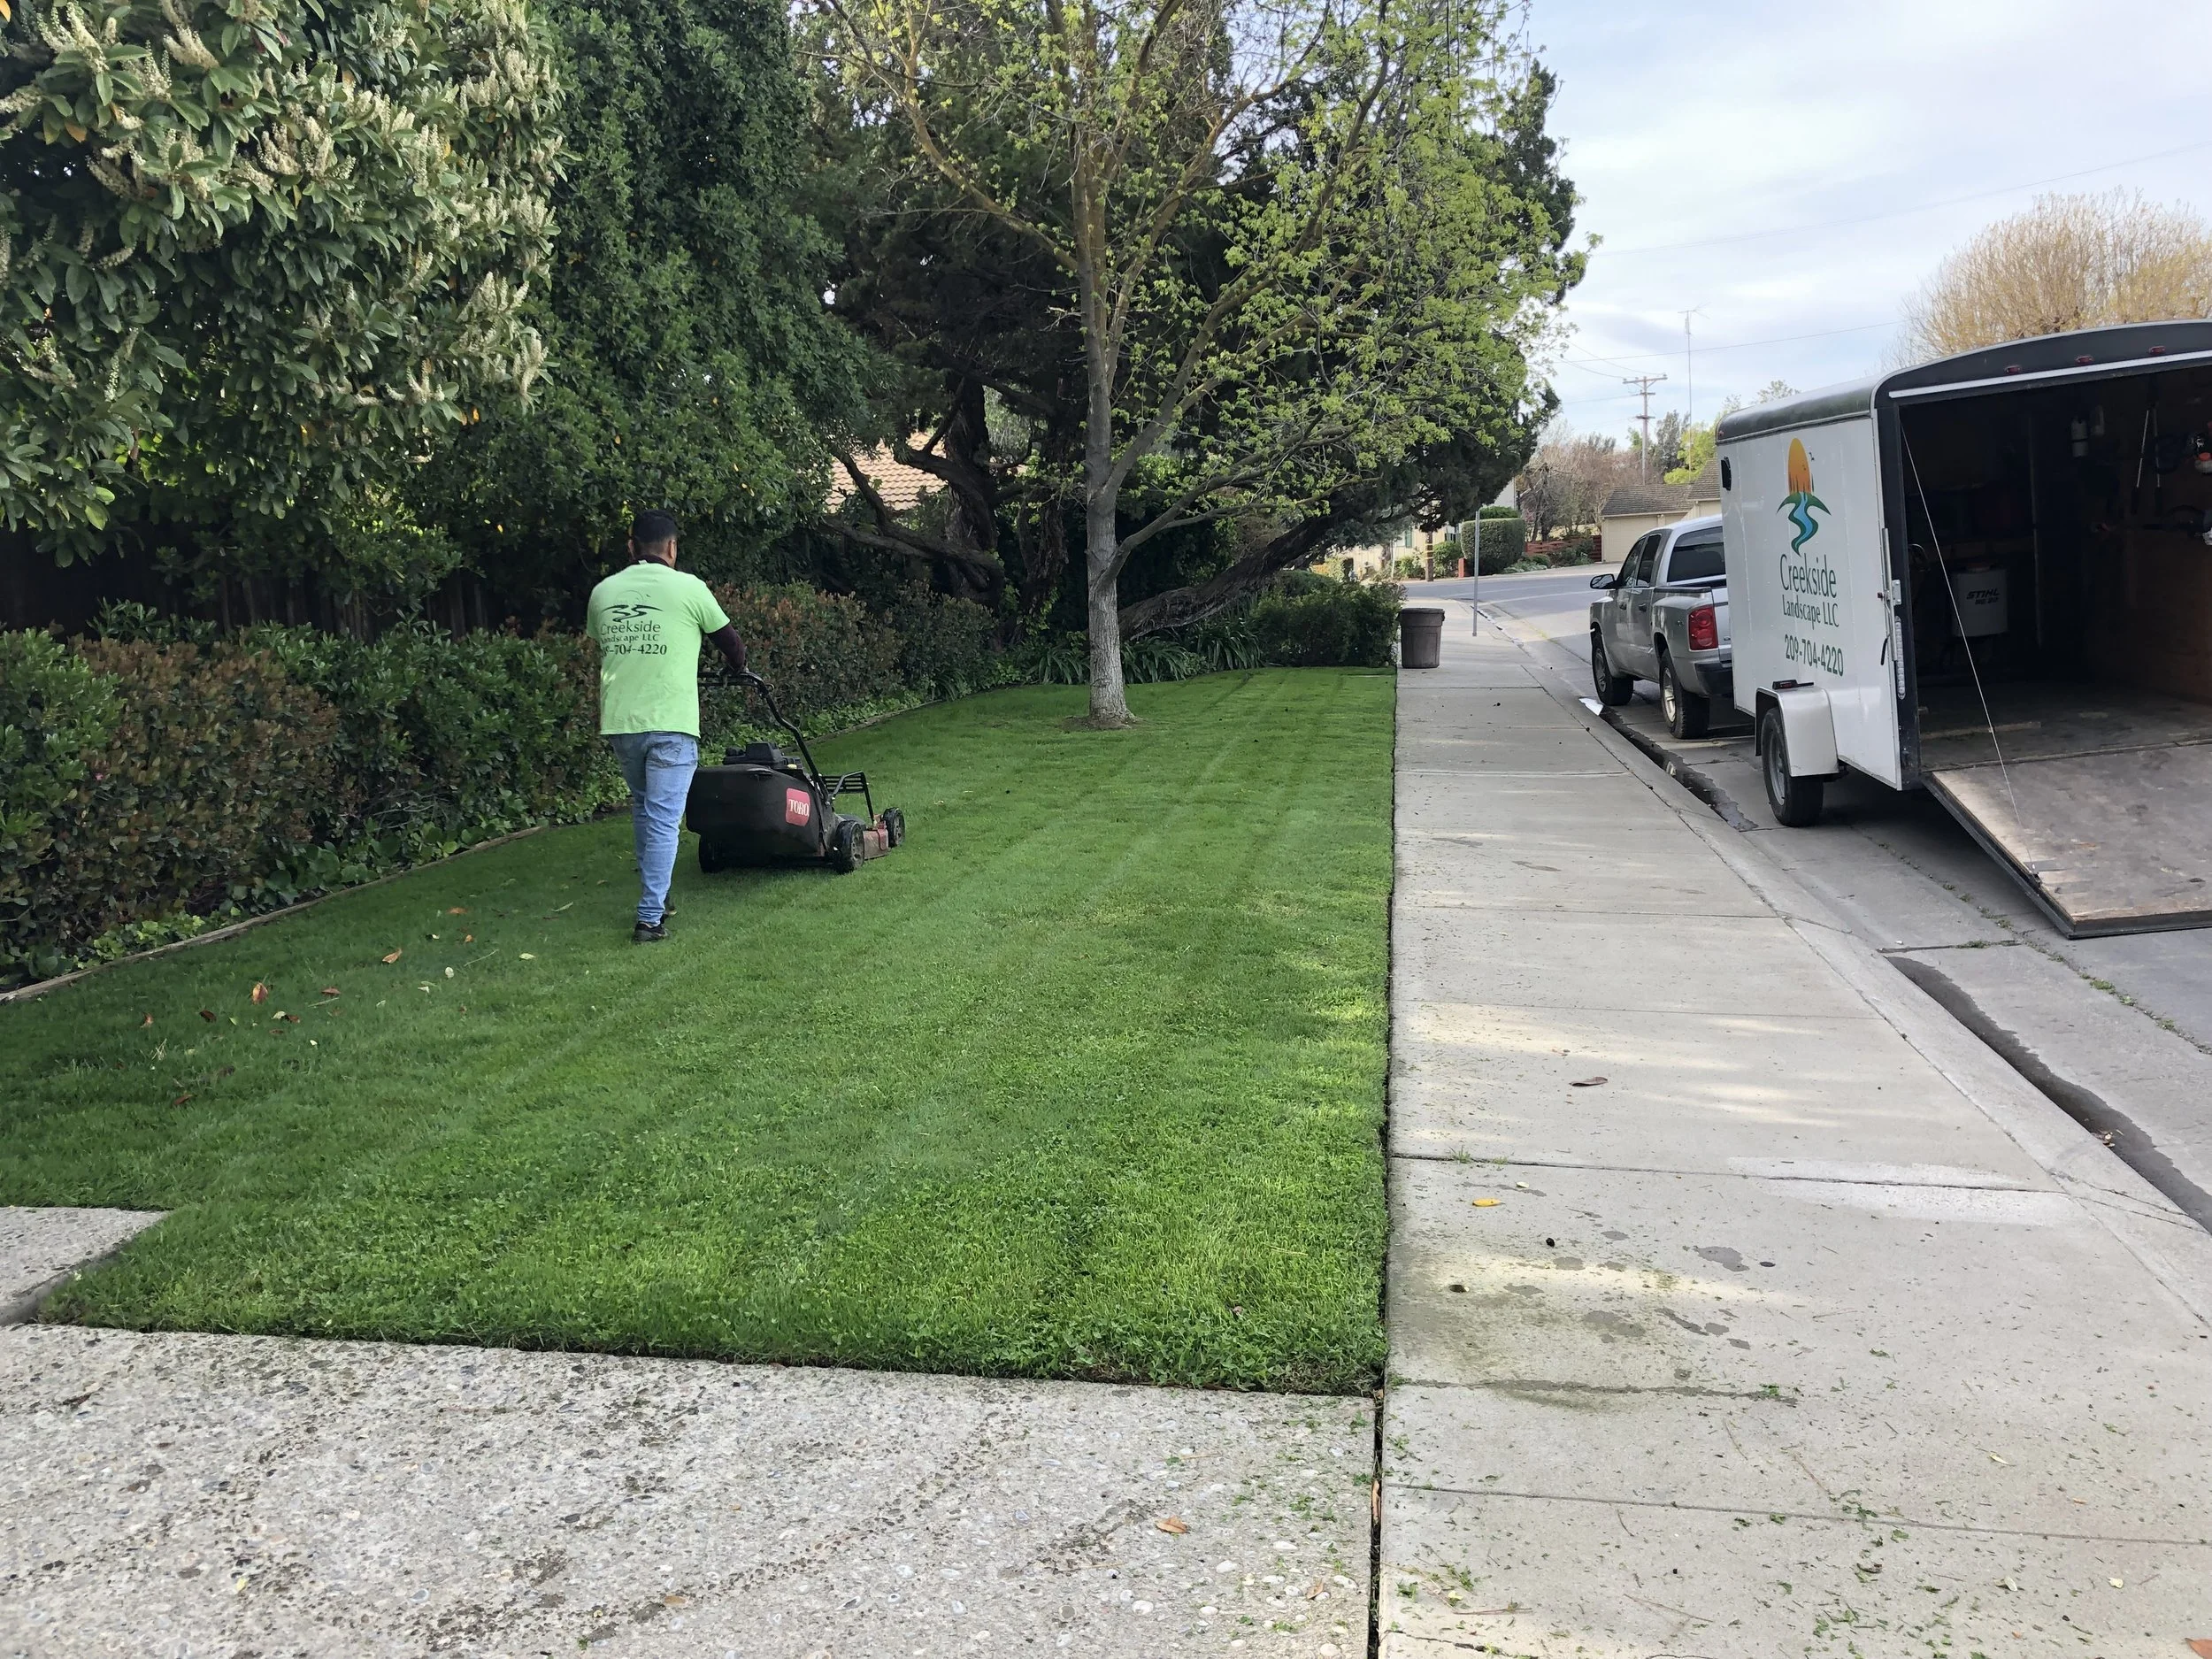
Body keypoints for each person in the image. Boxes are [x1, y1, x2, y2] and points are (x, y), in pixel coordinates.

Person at [585, 510, 749, 942]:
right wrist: (737, 667)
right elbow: (731, 644)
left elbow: (604, 642)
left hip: (622, 722)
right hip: (671, 722)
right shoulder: (689, 588)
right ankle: (649, 918)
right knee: (663, 819)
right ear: (672, 548)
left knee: (645, 808)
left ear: (631, 547)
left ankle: (659, 897)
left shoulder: (603, 592)